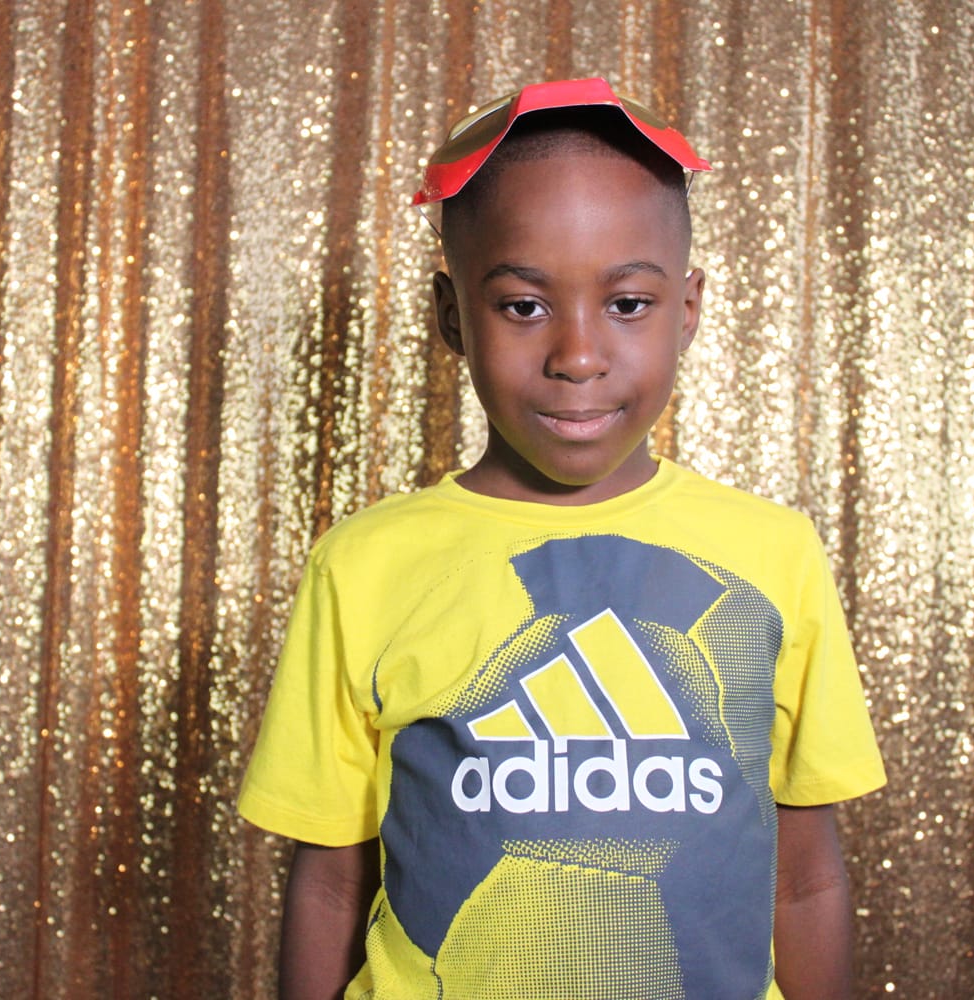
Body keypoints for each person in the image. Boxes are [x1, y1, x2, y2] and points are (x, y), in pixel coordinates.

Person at [238, 77, 886, 999]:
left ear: (688, 309)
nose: (578, 356)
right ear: (451, 315)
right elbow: (334, 883)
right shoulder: (363, 566)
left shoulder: (774, 556)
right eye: (523, 306)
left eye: (628, 304)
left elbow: (807, 877)